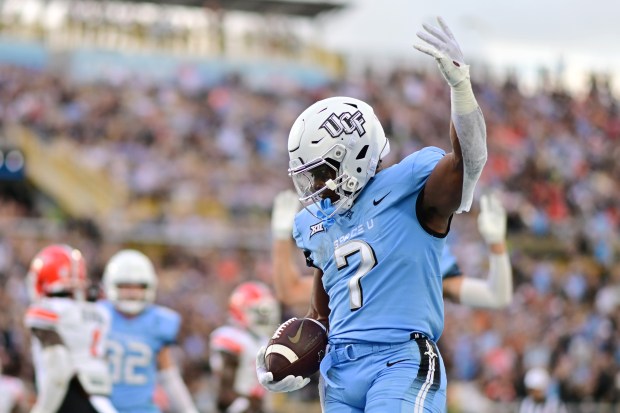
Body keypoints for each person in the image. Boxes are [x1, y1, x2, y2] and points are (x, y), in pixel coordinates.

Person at [257, 16, 488, 412]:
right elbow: (321, 312)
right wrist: (292, 353)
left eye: (322, 172)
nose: (314, 187)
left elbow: (470, 162)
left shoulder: (409, 185)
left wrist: (460, 90)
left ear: (355, 156)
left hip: (398, 359)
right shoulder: (319, 224)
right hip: (339, 373)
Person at [268, 190, 512, 310]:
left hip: (402, 362)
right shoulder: (346, 241)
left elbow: (495, 296)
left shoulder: (417, 246)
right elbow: (290, 292)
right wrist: (280, 237)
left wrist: (496, 244)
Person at [100, 249, 198, 413]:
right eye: (125, 286)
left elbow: (168, 375)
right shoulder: (98, 316)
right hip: (101, 407)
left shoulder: (159, 321)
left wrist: (188, 409)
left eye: (138, 287)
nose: (131, 293)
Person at [24, 244, 117, 413]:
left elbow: (59, 370)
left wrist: (42, 410)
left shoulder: (48, 310)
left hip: (68, 397)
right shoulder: (100, 312)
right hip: (102, 403)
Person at [209, 281, 281, 413]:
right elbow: (225, 393)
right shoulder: (231, 337)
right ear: (240, 309)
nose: (264, 318)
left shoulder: (264, 340)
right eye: (259, 312)